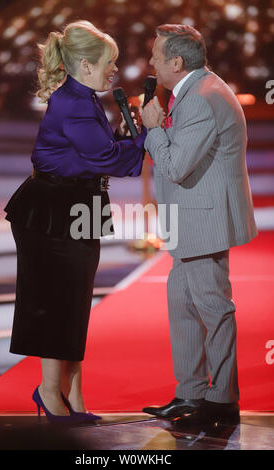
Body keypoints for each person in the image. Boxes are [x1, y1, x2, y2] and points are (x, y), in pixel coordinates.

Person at [4, 20, 146, 423]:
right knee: (60, 302)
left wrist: (127, 136)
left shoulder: (83, 97)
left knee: (74, 302)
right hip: (53, 210)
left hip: (74, 204)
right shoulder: (74, 103)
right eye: (109, 64)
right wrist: (145, 135)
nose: (114, 71)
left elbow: (99, 152)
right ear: (85, 65)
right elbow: (107, 159)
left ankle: (72, 395)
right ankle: (51, 393)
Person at [140, 24, 257, 426]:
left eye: (155, 56)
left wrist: (153, 127)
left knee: (212, 309)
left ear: (175, 62)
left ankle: (221, 401)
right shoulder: (195, 90)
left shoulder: (201, 99)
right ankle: (190, 394)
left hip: (203, 221)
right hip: (188, 220)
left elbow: (174, 166)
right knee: (184, 307)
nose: (150, 63)